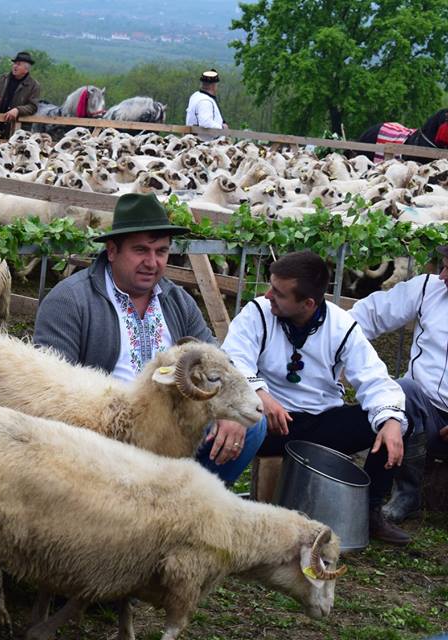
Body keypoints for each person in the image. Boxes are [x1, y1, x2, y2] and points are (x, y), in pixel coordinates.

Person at [34, 193, 265, 483]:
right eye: (141, 250)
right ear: (113, 250)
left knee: (252, 423)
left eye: (161, 251)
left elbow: (214, 359)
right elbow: (51, 384)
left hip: (170, 424)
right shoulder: (70, 300)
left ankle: (186, 507)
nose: (152, 262)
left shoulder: (177, 300)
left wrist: (228, 414)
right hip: (104, 429)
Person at [223, 250, 413, 545]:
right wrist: (260, 394)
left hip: (320, 426)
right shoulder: (258, 312)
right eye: (271, 285)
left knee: (396, 422)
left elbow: (375, 378)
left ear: (308, 303)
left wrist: (390, 420)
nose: (268, 294)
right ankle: (215, 500)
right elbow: (234, 359)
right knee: (227, 418)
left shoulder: (341, 326)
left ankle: (370, 511)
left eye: (279, 292)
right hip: (268, 424)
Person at [350, 246, 448, 523]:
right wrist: (334, 338)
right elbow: (368, 315)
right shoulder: (429, 288)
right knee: (403, 391)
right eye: (443, 265)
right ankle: (407, 493)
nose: (442, 275)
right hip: (426, 411)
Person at [0, 51, 40, 128]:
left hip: (18, 128)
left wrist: (18, 110)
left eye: (18, 64)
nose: (15, 66)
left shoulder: (33, 85)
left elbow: (33, 107)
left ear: (26, 69)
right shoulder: (2, 79)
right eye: (14, 63)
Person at [185, 68, 227, 133]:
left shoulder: (195, 96)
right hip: (205, 141)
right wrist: (222, 127)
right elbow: (205, 123)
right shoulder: (205, 101)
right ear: (213, 85)